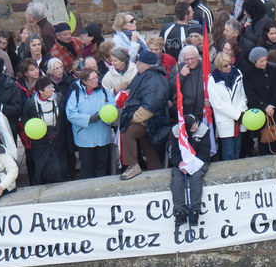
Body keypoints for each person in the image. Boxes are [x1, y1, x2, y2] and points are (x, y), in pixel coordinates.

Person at [118, 49, 169, 179]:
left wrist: (131, 119)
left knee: (128, 131)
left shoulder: (154, 79)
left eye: (140, 62)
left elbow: (150, 107)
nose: (137, 64)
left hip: (153, 121)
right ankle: (156, 171)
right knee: (147, 143)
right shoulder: (146, 75)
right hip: (148, 120)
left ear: (147, 65)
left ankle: (132, 165)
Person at [65, 66, 116, 179]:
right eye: (91, 79)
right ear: (84, 81)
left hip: (102, 135)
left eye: (96, 78)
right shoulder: (76, 94)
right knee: (87, 168)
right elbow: (70, 114)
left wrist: (106, 114)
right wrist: (88, 119)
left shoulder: (104, 91)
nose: (95, 81)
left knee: (101, 166)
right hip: (84, 138)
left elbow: (112, 105)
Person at [21, 76, 67, 185]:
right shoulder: (31, 104)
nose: (52, 90)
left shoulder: (59, 98)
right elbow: (26, 121)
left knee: (60, 167)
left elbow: (64, 119)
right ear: (41, 91)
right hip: (40, 141)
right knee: (42, 167)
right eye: (49, 88)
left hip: (58, 139)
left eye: (52, 87)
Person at [169, 113, 211, 228]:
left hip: (199, 161)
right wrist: (179, 163)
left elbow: (205, 153)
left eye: (196, 125)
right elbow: (173, 153)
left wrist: (191, 165)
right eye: (193, 128)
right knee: (176, 178)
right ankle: (179, 211)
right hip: (182, 163)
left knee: (196, 178)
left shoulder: (203, 130)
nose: (196, 128)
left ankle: (195, 211)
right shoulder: (175, 132)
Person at [206, 51, 247, 161]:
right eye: (225, 66)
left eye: (230, 64)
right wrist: (236, 114)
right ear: (219, 67)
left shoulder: (237, 73)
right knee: (228, 150)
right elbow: (217, 104)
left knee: (237, 147)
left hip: (239, 117)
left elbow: (242, 95)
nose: (229, 67)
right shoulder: (212, 79)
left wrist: (241, 111)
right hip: (225, 119)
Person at [244, 46, 276, 155]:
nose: (264, 63)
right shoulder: (248, 74)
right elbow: (250, 93)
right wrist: (264, 106)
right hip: (259, 112)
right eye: (260, 61)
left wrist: (272, 105)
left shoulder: (274, 70)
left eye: (265, 60)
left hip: (275, 109)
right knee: (263, 138)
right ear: (254, 62)